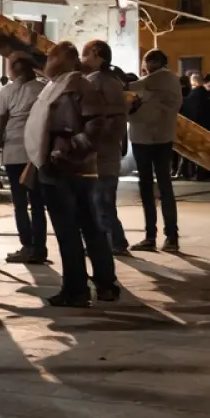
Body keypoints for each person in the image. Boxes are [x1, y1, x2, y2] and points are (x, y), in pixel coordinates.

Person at [27, 44, 124, 307]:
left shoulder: (77, 86)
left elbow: (96, 124)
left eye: (51, 57)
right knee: (86, 228)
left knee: (72, 231)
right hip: (59, 167)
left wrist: (68, 149)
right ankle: (102, 285)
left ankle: (78, 289)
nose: (47, 62)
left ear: (59, 61)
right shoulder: (62, 85)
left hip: (68, 168)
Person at [0, 54, 48, 264]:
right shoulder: (42, 89)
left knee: (20, 203)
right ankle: (39, 247)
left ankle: (27, 245)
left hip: (15, 152)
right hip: (36, 152)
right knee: (37, 202)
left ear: (13, 71)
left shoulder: (7, 92)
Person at [128, 48, 182, 253]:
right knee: (160, 186)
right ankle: (167, 236)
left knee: (151, 187)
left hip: (149, 139)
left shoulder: (155, 80)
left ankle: (157, 236)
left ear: (152, 62)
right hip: (158, 138)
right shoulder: (169, 81)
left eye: (146, 62)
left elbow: (130, 92)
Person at [79, 40, 129, 257]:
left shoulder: (96, 82)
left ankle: (106, 244)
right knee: (105, 200)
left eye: (85, 54)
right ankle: (116, 241)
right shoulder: (115, 81)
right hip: (109, 150)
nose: (83, 59)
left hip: (99, 152)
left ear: (96, 54)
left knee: (100, 201)